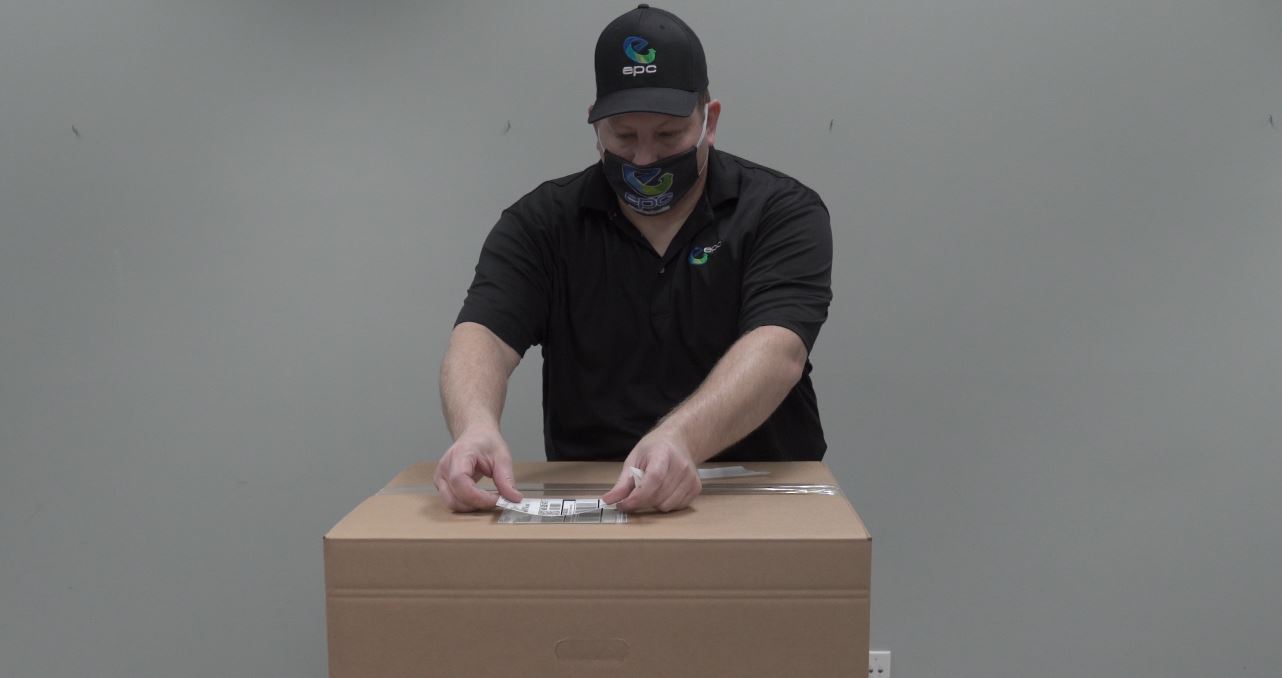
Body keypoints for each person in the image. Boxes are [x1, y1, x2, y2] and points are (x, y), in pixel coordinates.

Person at [434, 4, 833, 513]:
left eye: (668, 135)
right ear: (596, 126)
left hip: (760, 494)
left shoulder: (779, 212)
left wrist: (681, 438)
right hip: (598, 501)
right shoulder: (542, 224)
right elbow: (483, 335)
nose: (645, 159)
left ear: (709, 122)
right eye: (624, 136)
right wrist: (475, 426)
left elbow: (779, 350)